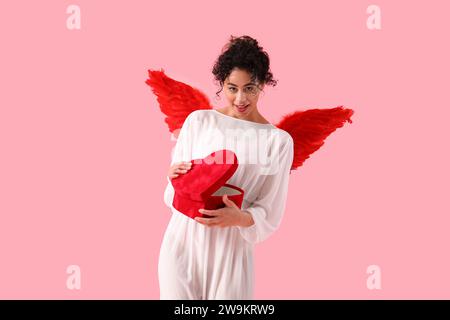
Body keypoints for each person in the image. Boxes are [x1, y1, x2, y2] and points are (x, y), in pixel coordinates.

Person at [158, 35, 294, 299]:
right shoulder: (199, 122)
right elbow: (171, 196)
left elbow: (270, 209)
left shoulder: (277, 142)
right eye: (232, 88)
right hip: (182, 243)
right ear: (222, 84)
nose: (240, 98)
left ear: (263, 84)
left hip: (230, 250)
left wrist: (240, 218)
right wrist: (174, 177)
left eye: (250, 88)